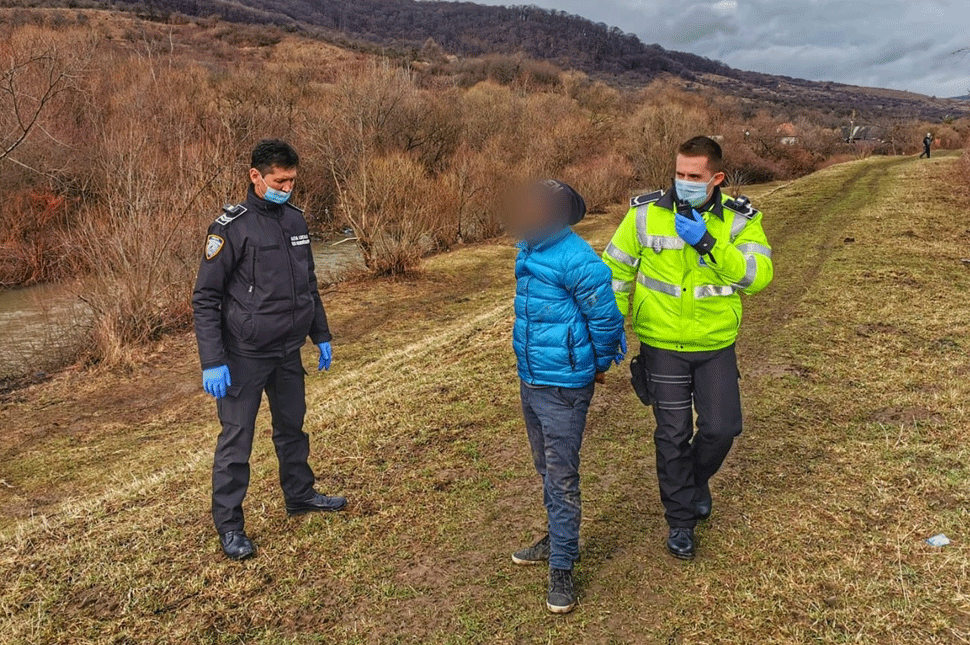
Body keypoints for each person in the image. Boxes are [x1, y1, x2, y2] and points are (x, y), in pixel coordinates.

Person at [602, 136, 773, 560]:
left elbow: (758, 276)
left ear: (716, 178)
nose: (683, 183)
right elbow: (616, 272)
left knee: (722, 428)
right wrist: (609, 332)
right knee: (672, 435)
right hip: (661, 343)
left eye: (693, 176)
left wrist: (709, 245)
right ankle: (680, 521)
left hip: (715, 344)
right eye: (679, 174)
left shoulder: (739, 221)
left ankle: (694, 481)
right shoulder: (644, 215)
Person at [193, 139, 346, 561]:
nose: (287, 188)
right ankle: (230, 526)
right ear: (255, 176)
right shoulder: (229, 227)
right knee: (236, 441)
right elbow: (205, 298)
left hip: (287, 350)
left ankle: (300, 495)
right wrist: (213, 360)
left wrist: (321, 333)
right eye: (280, 181)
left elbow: (308, 285)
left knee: (292, 428)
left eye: (293, 180)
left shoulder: (295, 221)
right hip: (244, 355)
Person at [506, 180, 626, 614]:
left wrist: (593, 367)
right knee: (545, 468)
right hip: (531, 380)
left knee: (560, 476)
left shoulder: (578, 259)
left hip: (564, 388)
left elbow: (608, 321)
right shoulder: (528, 248)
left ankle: (562, 565)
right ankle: (557, 537)